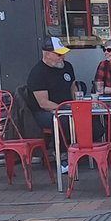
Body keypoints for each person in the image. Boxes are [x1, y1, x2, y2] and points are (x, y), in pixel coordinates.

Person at [25, 36, 76, 171]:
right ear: (47, 54)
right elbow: (43, 103)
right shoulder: (38, 73)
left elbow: (72, 86)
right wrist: (65, 108)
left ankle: (81, 150)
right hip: (44, 112)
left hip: (67, 107)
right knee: (61, 120)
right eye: (59, 54)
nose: (62, 57)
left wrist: (77, 103)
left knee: (94, 123)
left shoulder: (67, 67)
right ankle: (62, 158)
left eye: (63, 54)